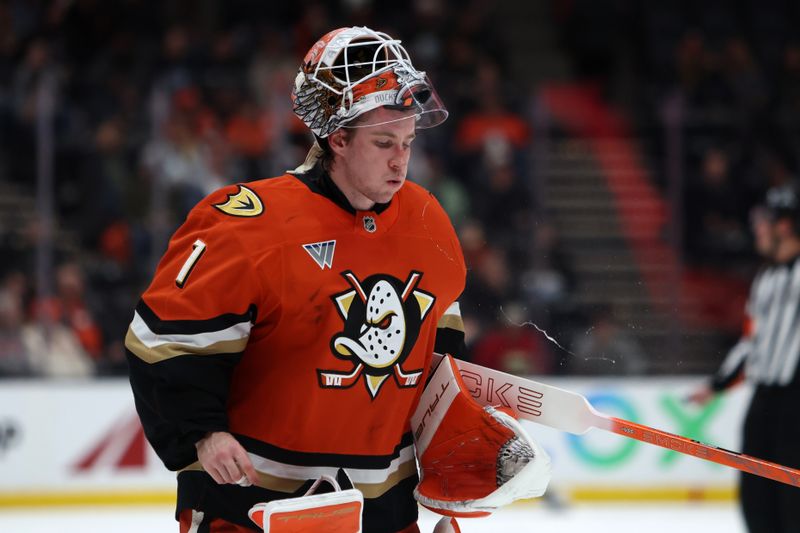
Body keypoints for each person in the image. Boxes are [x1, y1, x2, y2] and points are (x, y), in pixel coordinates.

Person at [125, 27, 471, 533]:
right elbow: (162, 344)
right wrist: (202, 435)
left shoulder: (428, 220)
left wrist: (463, 438)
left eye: (408, 141)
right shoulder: (246, 223)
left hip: (385, 512)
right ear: (338, 138)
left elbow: (440, 350)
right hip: (256, 511)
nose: (401, 160)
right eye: (383, 142)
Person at [689, 183, 800, 533]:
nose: (757, 229)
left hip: (796, 403)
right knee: (756, 497)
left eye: (764, 221)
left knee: (791, 502)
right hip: (764, 401)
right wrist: (718, 383)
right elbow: (752, 342)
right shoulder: (766, 278)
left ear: (785, 225)